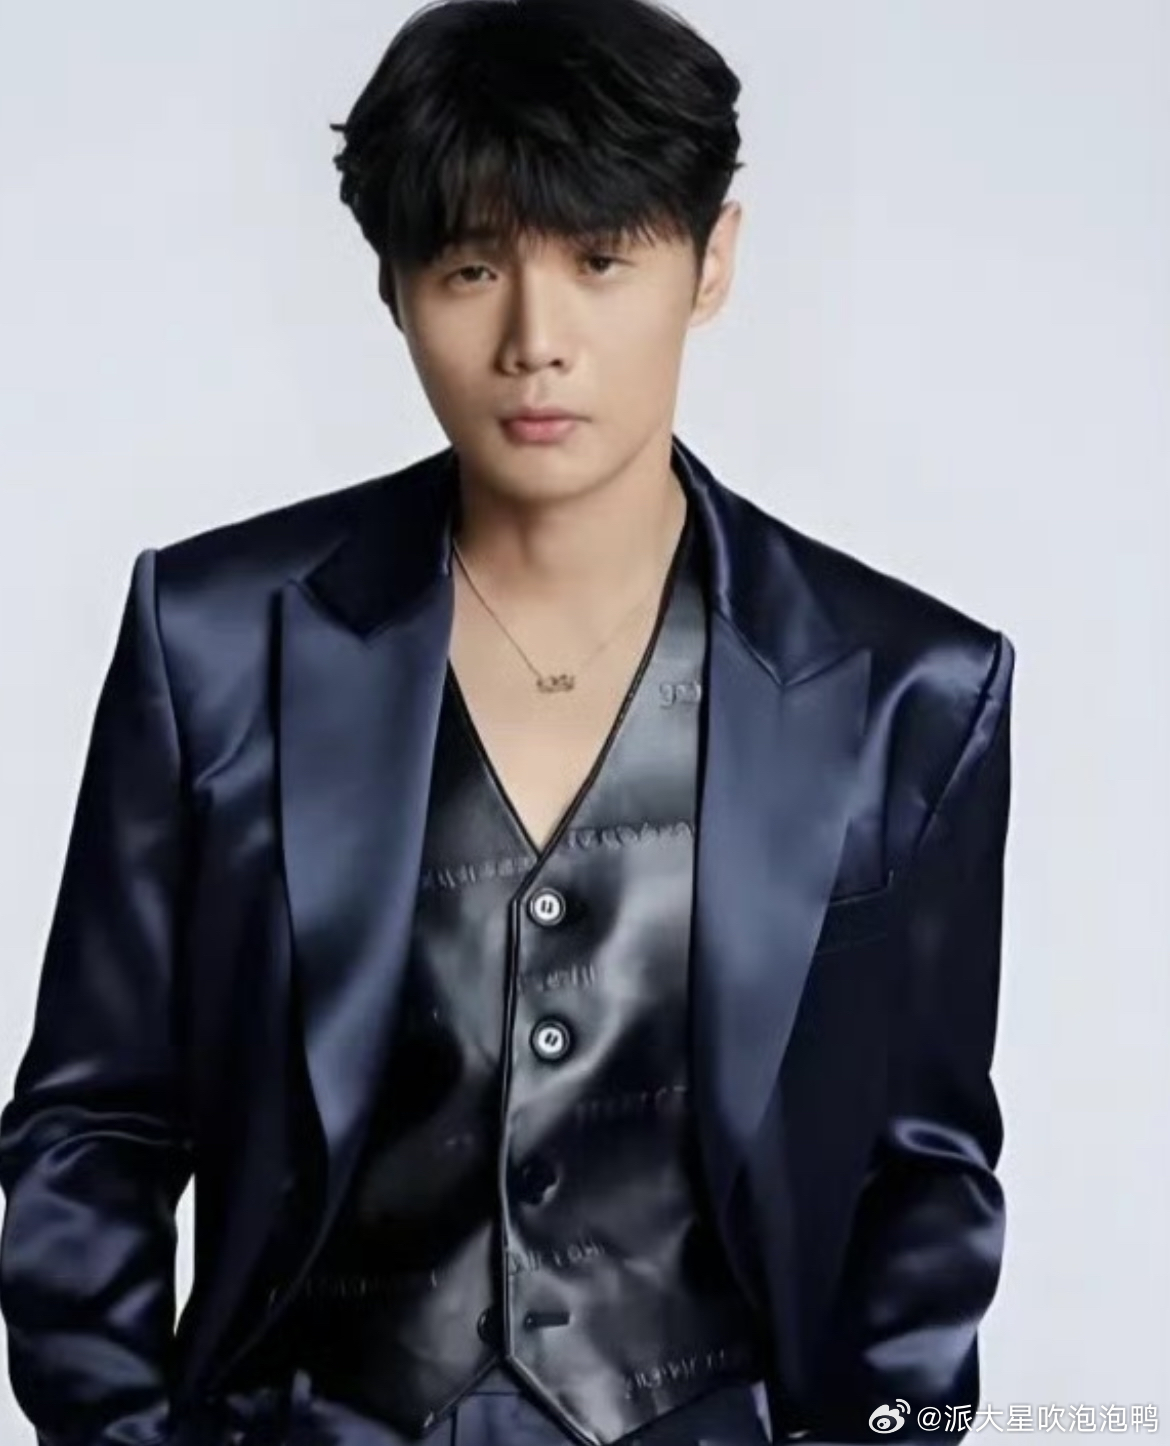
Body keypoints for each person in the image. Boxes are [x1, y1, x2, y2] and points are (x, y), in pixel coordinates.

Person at [0, 1, 1016, 1443]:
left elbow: (924, 1179)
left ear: (712, 261)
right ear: (392, 285)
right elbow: (92, 1124)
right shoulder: (213, 639)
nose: (537, 342)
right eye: (473, 267)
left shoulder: (913, 688)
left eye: (600, 261)